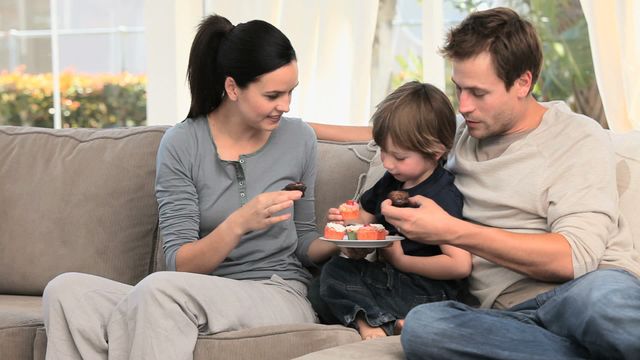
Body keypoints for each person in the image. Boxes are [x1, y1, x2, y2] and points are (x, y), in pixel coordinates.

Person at [42, 14, 338, 359]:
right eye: (273, 94)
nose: (285, 106)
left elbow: (303, 239)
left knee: (158, 292)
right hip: (198, 287)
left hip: (277, 291)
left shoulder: (299, 138)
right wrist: (240, 222)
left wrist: (340, 241)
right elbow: (181, 265)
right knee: (66, 292)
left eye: (291, 92)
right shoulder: (182, 144)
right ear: (232, 88)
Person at [374, 7, 640, 359]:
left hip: (583, 291)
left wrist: (450, 230)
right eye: (459, 89)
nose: (464, 106)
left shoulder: (576, 136)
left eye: (478, 93)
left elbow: (574, 258)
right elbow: (395, 134)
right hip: (510, 315)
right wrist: (300, 126)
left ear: (523, 83)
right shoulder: (457, 134)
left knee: (604, 305)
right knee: (426, 327)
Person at [318, 81, 471, 340]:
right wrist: (347, 225)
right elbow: (363, 224)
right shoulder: (391, 181)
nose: (388, 163)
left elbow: (459, 265)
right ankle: (392, 321)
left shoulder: (441, 194)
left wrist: (403, 261)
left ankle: (373, 324)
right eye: (383, 151)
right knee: (320, 285)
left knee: (334, 276)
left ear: (435, 151)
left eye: (399, 157)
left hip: (430, 292)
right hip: (389, 282)